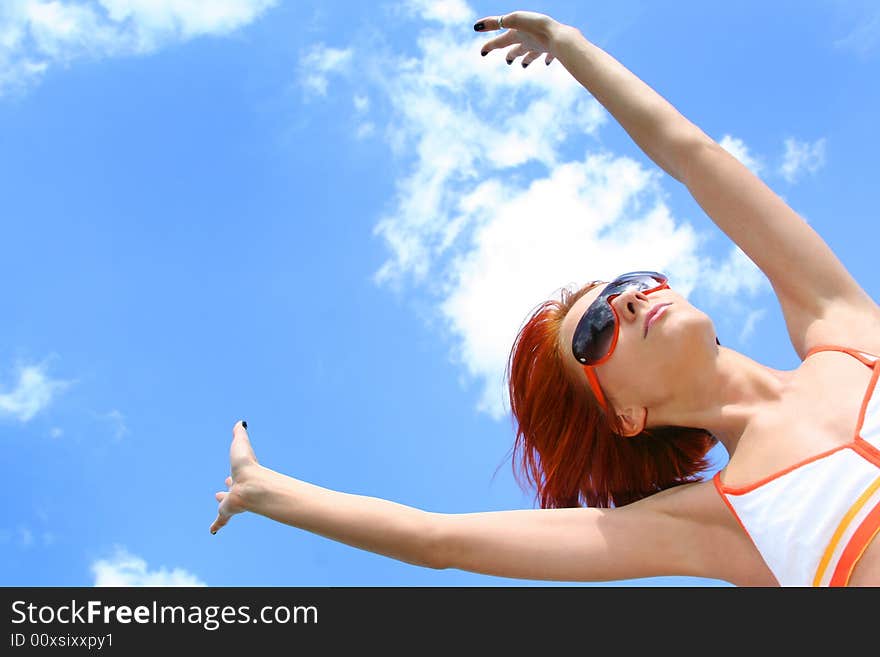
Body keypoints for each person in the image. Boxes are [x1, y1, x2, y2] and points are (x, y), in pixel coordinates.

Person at [209, 11, 880, 586]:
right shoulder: (720, 522)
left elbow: (691, 155)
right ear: (623, 414)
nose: (625, 301)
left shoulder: (844, 328)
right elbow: (438, 540)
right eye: (593, 330)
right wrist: (266, 492)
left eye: (627, 283)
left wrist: (569, 44)